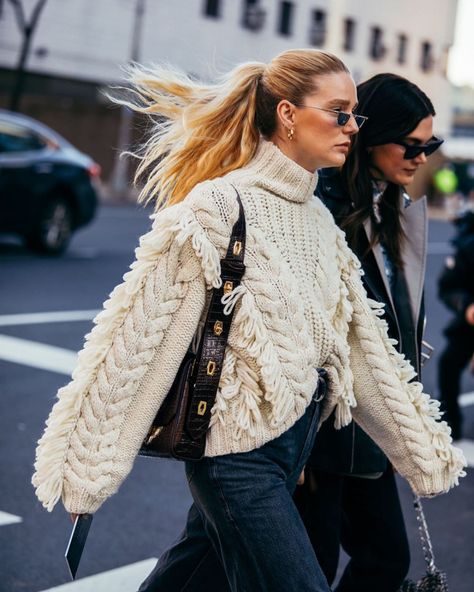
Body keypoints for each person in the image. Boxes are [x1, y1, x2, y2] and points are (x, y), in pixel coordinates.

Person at [32, 53, 465, 592]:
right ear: (287, 114)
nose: (353, 127)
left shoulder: (320, 223)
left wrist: (422, 449)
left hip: (291, 450)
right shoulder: (219, 205)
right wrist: (88, 473)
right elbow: (140, 340)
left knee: (189, 578)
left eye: (355, 115)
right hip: (233, 461)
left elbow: (363, 351)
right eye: (339, 112)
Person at [294, 73, 447, 592]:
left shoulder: (393, 208)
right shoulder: (322, 208)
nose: (422, 157)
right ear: (372, 135)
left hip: (372, 419)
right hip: (321, 422)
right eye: (411, 145)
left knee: (384, 558)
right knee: (310, 566)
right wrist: (291, 439)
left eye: (431, 145)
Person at [438, 212, 474, 441]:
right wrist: (467, 306)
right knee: (448, 364)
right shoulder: (468, 243)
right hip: (470, 322)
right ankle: (451, 420)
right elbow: (448, 286)